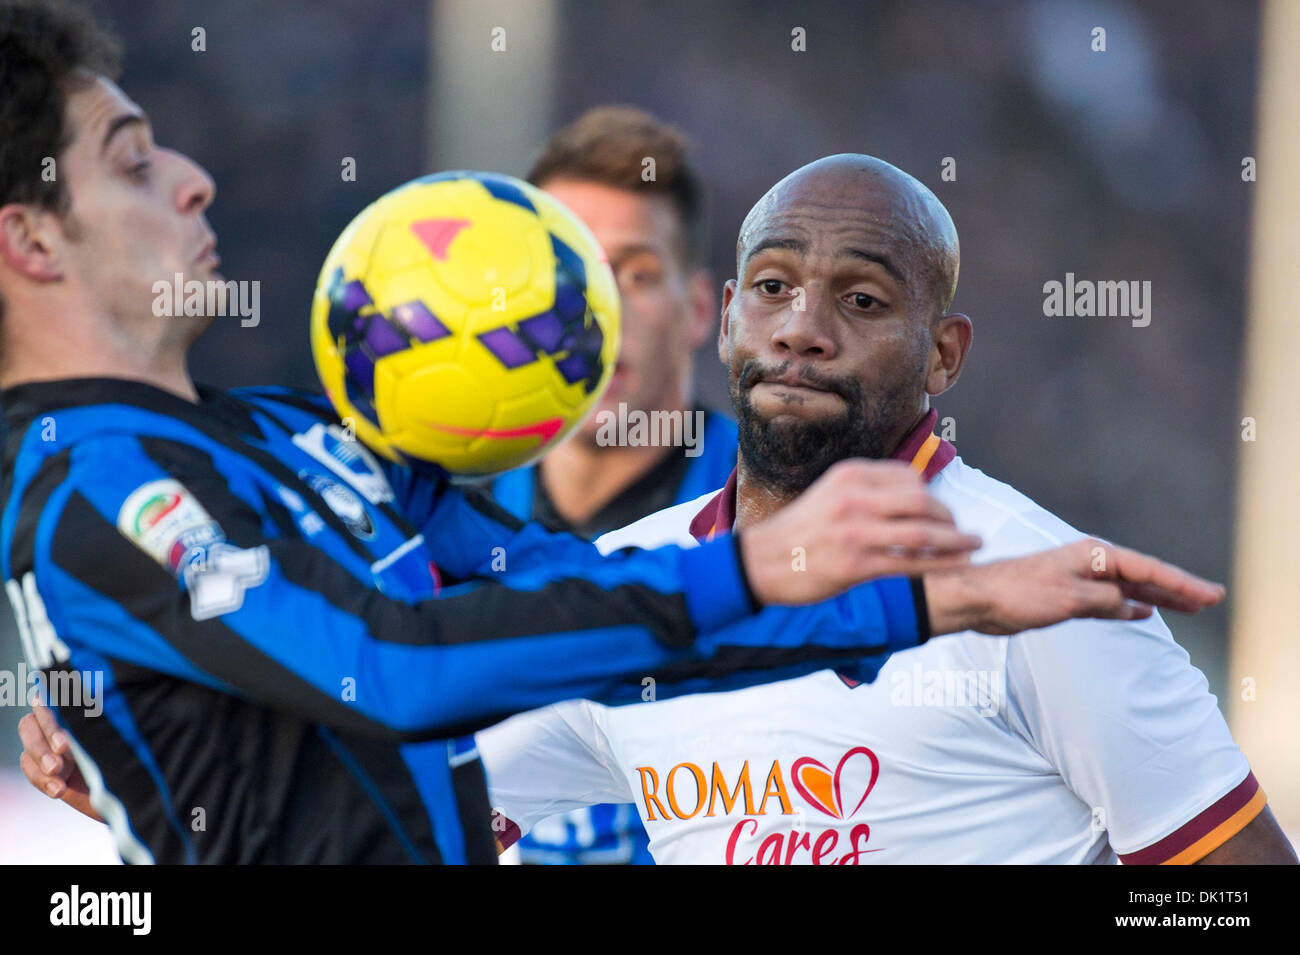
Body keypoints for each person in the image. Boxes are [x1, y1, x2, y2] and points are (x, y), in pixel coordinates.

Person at [8, 1, 1225, 864]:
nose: (192, 178)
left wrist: (909, 605)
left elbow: (555, 588)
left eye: (859, 298)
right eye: (131, 162)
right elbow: (396, 667)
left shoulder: (278, 438)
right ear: (30, 243)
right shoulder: (98, 492)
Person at [474, 154, 1298, 865]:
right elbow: (415, 815)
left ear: (943, 355)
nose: (802, 329)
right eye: (772, 287)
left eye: (861, 300)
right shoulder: (627, 586)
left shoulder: (1050, 593)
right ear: (727, 320)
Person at [491, 106, 736, 865]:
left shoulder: (783, 519)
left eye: (633, 273)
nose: (596, 309)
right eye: (567, 272)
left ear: (700, 309)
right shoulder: (437, 518)